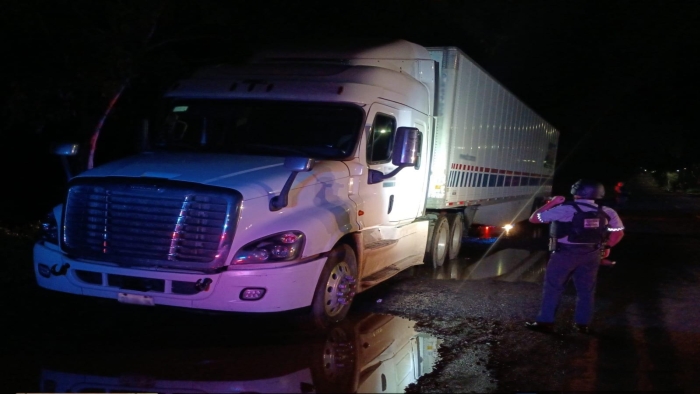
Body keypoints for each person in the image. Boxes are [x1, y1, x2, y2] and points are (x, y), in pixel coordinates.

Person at [525, 179, 625, 334]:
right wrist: (607, 246)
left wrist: (552, 202)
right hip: (592, 254)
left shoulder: (565, 209)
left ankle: (545, 321)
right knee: (586, 290)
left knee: (553, 288)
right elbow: (618, 232)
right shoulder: (607, 211)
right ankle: (582, 324)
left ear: (576, 192)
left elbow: (535, 218)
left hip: (565, 254)